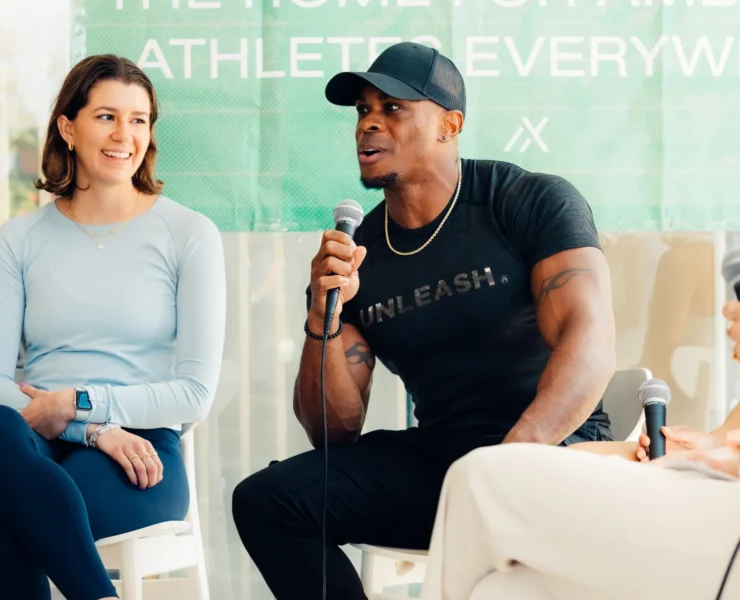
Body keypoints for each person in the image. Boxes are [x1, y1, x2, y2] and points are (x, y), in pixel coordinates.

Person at [232, 41, 616, 599]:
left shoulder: (526, 201)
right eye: (364, 109)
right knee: (270, 501)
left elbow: (592, 342)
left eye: (393, 108)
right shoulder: (358, 251)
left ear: (449, 125)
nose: (369, 124)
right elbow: (332, 430)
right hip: (446, 462)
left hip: (552, 451)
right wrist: (323, 316)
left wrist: (506, 466)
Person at [0, 55, 226, 600]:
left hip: (141, 453)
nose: (124, 134)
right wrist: (86, 424)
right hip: (35, 437)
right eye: (106, 116)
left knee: (10, 513)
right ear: (67, 128)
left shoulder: (188, 234)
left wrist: (76, 402)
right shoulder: (19, 238)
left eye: (139, 120)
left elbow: (193, 395)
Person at [418, 301, 740, 600]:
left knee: (479, 481)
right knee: (502, 589)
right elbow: (725, 437)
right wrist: (708, 443)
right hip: (710, 491)